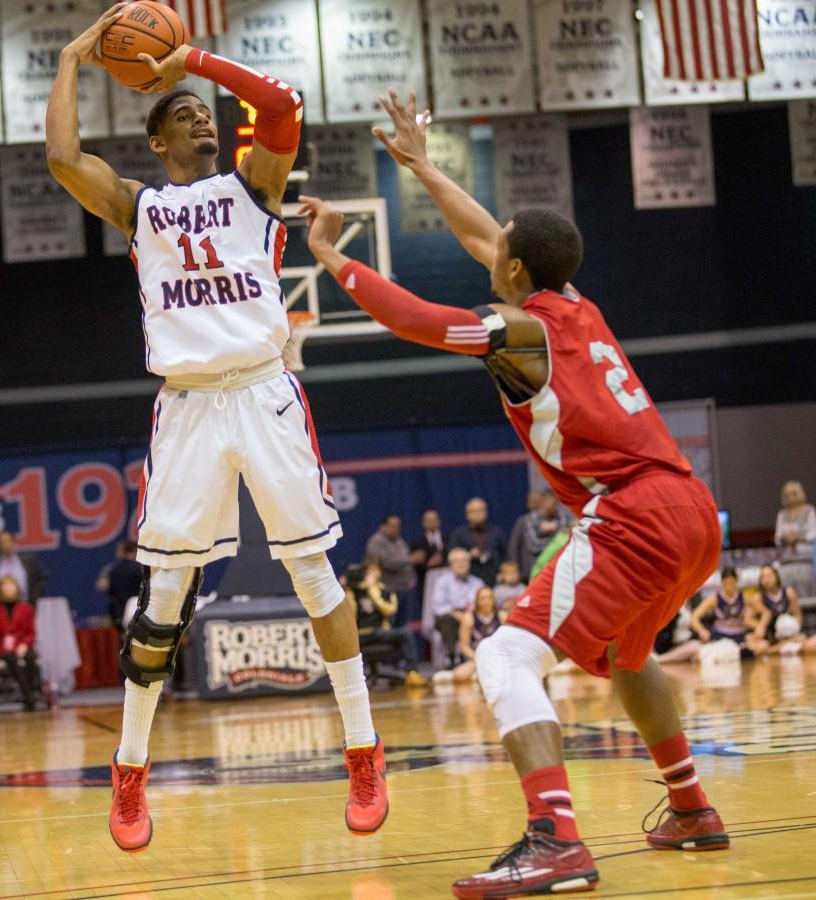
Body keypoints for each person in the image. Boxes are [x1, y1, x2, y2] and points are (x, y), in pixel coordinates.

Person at [300, 87, 729, 897]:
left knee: (503, 654)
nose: (488, 246)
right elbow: (483, 235)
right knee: (629, 656)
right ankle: (692, 808)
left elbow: (424, 321)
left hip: (633, 509)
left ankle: (556, 840)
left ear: (518, 270)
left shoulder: (518, 331)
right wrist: (423, 167)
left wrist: (333, 259)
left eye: (502, 249)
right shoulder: (571, 303)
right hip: (689, 507)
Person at [46, 7, 386, 853]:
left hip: (265, 393)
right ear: (157, 143)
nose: (201, 116)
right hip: (189, 406)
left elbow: (281, 106)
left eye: (203, 111)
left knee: (313, 573)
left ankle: (363, 749)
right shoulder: (142, 209)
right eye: (182, 114)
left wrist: (186, 57)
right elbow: (60, 159)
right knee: (163, 600)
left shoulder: (252, 188)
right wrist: (69, 61)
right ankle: (130, 772)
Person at [346, 559, 427, 687]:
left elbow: (389, 610)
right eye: (370, 571)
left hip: (379, 632)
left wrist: (372, 591)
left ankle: (412, 673)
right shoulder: (355, 591)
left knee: (405, 633)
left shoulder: (386, 591)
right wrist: (348, 590)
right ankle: (348, 682)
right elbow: (350, 615)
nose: (373, 574)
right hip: (360, 635)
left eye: (376, 570)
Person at [0, 577, 41, 712]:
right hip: (5, 648)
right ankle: (28, 696)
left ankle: (31, 692)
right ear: (0, 590)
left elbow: (32, 632)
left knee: (30, 657)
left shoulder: (26, 608)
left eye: (11, 586)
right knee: (12, 659)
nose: (8, 589)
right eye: (5, 587)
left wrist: (25, 644)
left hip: (23, 644)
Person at [434, 585, 504, 684]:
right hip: (478, 657)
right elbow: (464, 647)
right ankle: (477, 674)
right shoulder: (469, 618)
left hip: (499, 656)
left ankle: (481, 674)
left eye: (489, 597)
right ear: (477, 601)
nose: (486, 601)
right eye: (482, 598)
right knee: (460, 675)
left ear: (494, 599)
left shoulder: (502, 616)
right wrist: (479, 658)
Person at [430, 548, 485, 667]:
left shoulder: (478, 583)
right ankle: (451, 658)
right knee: (447, 621)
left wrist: (469, 615)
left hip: (472, 616)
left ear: (469, 564)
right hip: (449, 615)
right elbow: (437, 606)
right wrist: (456, 614)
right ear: (450, 565)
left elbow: (484, 603)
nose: (461, 564)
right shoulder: (442, 581)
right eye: (457, 561)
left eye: (464, 560)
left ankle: (484, 657)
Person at [690, 568, 761, 649]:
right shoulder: (714, 599)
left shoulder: (745, 597)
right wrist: (701, 630)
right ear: (722, 582)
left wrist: (760, 626)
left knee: (761, 645)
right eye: (726, 583)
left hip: (740, 635)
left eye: (731, 582)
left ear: (736, 581)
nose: (729, 586)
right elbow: (694, 617)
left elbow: (765, 612)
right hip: (720, 636)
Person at [364, 515, 418, 623]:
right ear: (383, 526)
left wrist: (411, 578)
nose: (396, 529)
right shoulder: (376, 542)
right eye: (392, 526)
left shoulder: (400, 541)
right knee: (390, 624)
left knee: (404, 623)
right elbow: (387, 562)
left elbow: (406, 564)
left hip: (404, 588)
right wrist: (410, 559)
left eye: (398, 526)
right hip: (388, 590)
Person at [0, 531, 48, 606]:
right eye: (1, 542)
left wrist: (35, 597)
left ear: (13, 542)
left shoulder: (29, 561)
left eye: (7, 541)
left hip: (25, 607)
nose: (4, 545)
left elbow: (42, 577)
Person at [508, 490, 569, 582]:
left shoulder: (561, 518)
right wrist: (556, 538)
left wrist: (556, 532)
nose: (555, 507)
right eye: (552, 503)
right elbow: (534, 545)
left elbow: (566, 542)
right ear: (544, 502)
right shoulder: (529, 520)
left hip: (557, 569)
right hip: (534, 569)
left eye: (556, 503)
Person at [448, 497, 509, 585]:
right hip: (467, 581)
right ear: (467, 515)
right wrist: (468, 555)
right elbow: (452, 556)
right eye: (473, 511)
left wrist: (503, 573)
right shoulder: (459, 534)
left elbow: (506, 555)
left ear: (486, 512)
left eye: (480, 510)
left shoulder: (496, 532)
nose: (477, 514)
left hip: (495, 579)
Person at [773, 481, 816, 595]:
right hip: (786, 561)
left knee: (806, 593)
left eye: (793, 493)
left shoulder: (809, 510)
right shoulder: (782, 514)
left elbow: (814, 534)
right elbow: (777, 538)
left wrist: (798, 537)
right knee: (787, 594)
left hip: (805, 560)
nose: (790, 497)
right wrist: (784, 538)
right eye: (787, 494)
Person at [747, 564, 803, 654]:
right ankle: (775, 649)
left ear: (777, 576)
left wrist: (791, 626)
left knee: (802, 639)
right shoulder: (757, 597)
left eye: (769, 575)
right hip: (768, 634)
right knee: (758, 644)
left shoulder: (789, 593)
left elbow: (798, 616)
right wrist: (760, 626)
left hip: (785, 634)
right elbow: (747, 620)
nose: (767, 579)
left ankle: (776, 648)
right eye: (763, 577)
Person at [409, 509, 447, 601]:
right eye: (428, 520)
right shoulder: (416, 543)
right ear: (423, 523)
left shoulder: (447, 539)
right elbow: (413, 564)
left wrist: (442, 560)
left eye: (434, 520)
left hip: (446, 580)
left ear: (439, 521)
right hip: (426, 583)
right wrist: (427, 564)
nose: (431, 523)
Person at [106, 540, 144, 631]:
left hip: (119, 612)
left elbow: (112, 593)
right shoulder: (141, 569)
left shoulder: (114, 569)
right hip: (138, 614)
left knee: (124, 641)